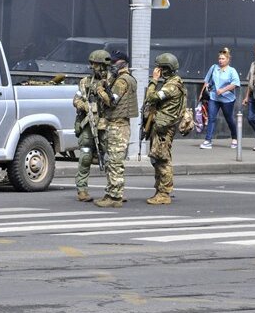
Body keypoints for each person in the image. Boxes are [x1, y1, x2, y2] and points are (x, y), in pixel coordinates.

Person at [93, 50, 136, 208]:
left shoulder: (122, 81)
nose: (112, 65)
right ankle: (111, 192)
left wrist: (100, 90)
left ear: (123, 63)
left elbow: (111, 101)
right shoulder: (120, 79)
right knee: (111, 161)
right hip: (116, 125)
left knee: (115, 163)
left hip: (118, 126)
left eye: (115, 62)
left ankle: (115, 197)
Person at [143, 53, 186, 205]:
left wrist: (154, 80)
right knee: (157, 158)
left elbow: (151, 97)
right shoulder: (172, 83)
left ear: (166, 69)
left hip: (164, 128)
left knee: (163, 159)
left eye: (160, 68)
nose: (157, 70)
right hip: (161, 125)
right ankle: (159, 190)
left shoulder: (172, 86)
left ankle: (164, 193)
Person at [72, 50, 110, 202]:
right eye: (92, 64)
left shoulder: (113, 81)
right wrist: (84, 105)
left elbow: (114, 102)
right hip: (89, 123)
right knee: (86, 154)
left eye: (96, 64)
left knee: (110, 157)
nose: (93, 67)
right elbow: (76, 99)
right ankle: (82, 189)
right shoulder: (85, 81)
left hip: (106, 124)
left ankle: (114, 190)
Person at [199, 48, 240, 149]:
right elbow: (207, 81)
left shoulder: (231, 71)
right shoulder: (214, 68)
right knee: (211, 118)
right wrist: (201, 93)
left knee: (229, 118)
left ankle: (235, 138)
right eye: (219, 58)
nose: (220, 60)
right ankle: (208, 140)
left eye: (223, 58)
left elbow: (235, 83)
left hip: (227, 99)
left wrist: (223, 90)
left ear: (228, 59)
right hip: (214, 97)